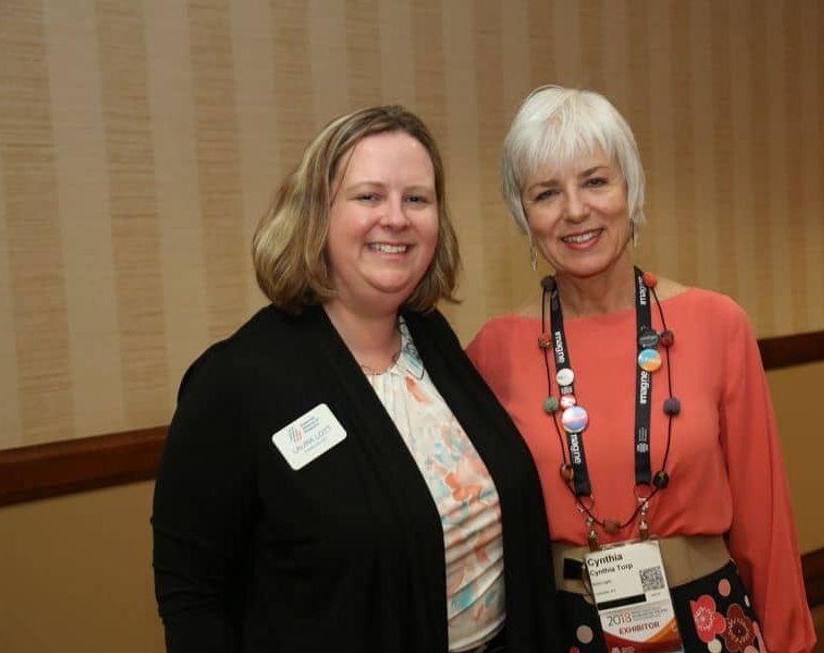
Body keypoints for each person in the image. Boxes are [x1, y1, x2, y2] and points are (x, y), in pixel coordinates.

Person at [152, 105, 558, 652]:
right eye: (369, 196)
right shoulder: (237, 384)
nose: (396, 218)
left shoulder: (433, 342)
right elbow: (192, 593)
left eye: (416, 199)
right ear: (317, 214)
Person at [467, 86, 816, 653]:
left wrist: (791, 643)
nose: (575, 210)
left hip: (707, 616)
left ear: (631, 191)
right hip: (560, 626)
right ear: (523, 215)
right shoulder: (493, 350)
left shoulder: (715, 324)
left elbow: (765, 518)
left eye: (596, 180)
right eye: (547, 193)